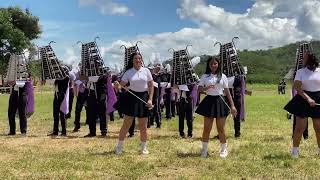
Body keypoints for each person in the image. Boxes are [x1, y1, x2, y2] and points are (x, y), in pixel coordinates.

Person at [195, 57, 237, 158]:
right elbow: (199, 89)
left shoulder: (223, 76)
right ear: (208, 65)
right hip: (209, 101)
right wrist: (207, 88)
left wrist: (232, 106)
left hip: (220, 101)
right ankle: (204, 150)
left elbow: (227, 92)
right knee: (207, 128)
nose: (213, 65)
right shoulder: (205, 76)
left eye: (215, 63)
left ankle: (223, 150)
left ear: (218, 64)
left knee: (220, 128)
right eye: (211, 64)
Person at [115, 52, 154, 155]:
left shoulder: (146, 71)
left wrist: (150, 99)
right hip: (131, 98)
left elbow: (151, 86)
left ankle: (143, 148)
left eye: (139, 58)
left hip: (144, 97)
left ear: (141, 60)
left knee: (143, 126)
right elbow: (121, 86)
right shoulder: (128, 72)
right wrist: (117, 85)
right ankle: (119, 147)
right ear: (132, 60)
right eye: (135, 58)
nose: (138, 60)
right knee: (126, 124)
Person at [284, 53, 320, 158]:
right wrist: (308, 98)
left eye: (304, 58)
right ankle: (295, 151)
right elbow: (297, 87)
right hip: (303, 99)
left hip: (318, 98)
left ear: (310, 60)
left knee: (318, 128)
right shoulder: (300, 72)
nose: (302, 60)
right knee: (300, 127)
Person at [48, 70, 70, 137]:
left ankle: (63, 131)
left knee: (62, 114)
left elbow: (57, 81)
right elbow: (53, 82)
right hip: (57, 95)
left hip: (61, 96)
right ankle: (55, 131)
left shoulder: (66, 78)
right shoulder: (59, 78)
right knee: (55, 114)